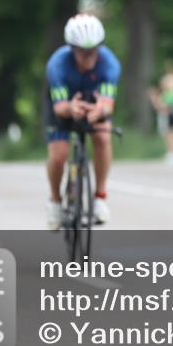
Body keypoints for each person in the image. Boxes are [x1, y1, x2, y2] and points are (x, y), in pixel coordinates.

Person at [44, 14, 121, 229]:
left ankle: (100, 197)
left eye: (93, 50)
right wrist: (70, 108)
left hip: (91, 103)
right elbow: (58, 107)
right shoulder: (57, 65)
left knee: (103, 135)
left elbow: (108, 103)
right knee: (59, 155)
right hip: (64, 105)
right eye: (82, 52)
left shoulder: (110, 64)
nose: (89, 56)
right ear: (71, 48)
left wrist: (100, 110)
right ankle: (55, 202)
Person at [148, 62, 173, 165]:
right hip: (170, 107)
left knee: (171, 132)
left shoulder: (171, 86)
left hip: (170, 108)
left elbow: (169, 99)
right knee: (171, 132)